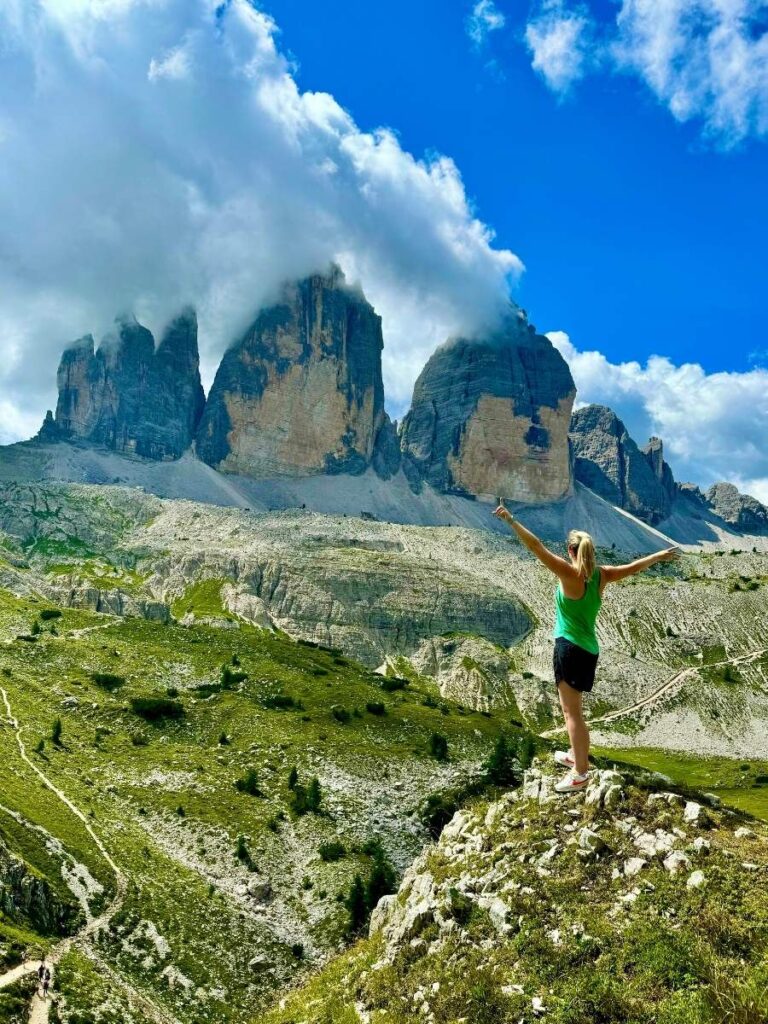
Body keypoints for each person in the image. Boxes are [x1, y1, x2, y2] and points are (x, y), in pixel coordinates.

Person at [493, 500, 679, 793]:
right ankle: (573, 755)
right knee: (573, 710)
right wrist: (658, 555)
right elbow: (632, 568)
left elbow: (537, 547)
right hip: (589, 648)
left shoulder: (569, 574)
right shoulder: (601, 575)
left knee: (572, 713)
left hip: (569, 646)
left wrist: (511, 520)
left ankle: (580, 772)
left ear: (570, 550)